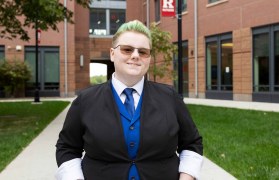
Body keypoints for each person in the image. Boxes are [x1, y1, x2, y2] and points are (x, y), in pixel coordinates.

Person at [56, 20, 203, 180]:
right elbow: (67, 147)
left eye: (143, 52)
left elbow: (191, 143)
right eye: (127, 49)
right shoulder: (85, 100)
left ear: (149, 58)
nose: (135, 55)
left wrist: (186, 178)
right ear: (112, 54)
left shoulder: (170, 97)